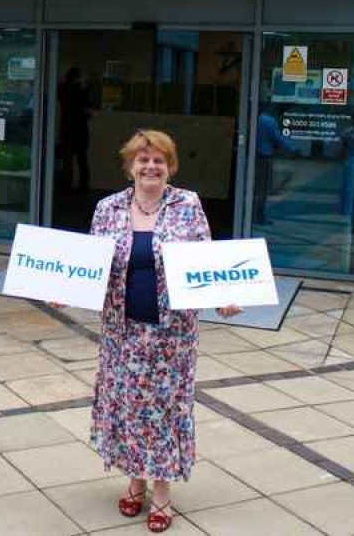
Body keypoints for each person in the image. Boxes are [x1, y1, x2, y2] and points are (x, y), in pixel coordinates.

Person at [89, 129, 241, 532]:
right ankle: (134, 482)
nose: (150, 166)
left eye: (159, 160)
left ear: (170, 166)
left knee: (164, 412)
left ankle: (161, 495)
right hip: (122, 335)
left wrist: (223, 296)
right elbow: (90, 267)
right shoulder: (108, 208)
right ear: (130, 166)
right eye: (143, 159)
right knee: (129, 409)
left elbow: (206, 258)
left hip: (172, 336)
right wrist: (59, 289)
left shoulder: (187, 205)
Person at [253, 106, 296, 225]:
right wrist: (293, 149)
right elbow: (278, 139)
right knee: (263, 189)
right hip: (264, 158)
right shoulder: (268, 121)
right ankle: (259, 217)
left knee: (256, 188)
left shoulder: (254, 119)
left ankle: (254, 215)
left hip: (253, 157)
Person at [58, 66, 92, 193]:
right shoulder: (81, 91)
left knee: (68, 161)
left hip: (67, 128)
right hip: (80, 129)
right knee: (81, 159)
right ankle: (83, 186)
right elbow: (88, 105)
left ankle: (66, 185)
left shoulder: (63, 90)